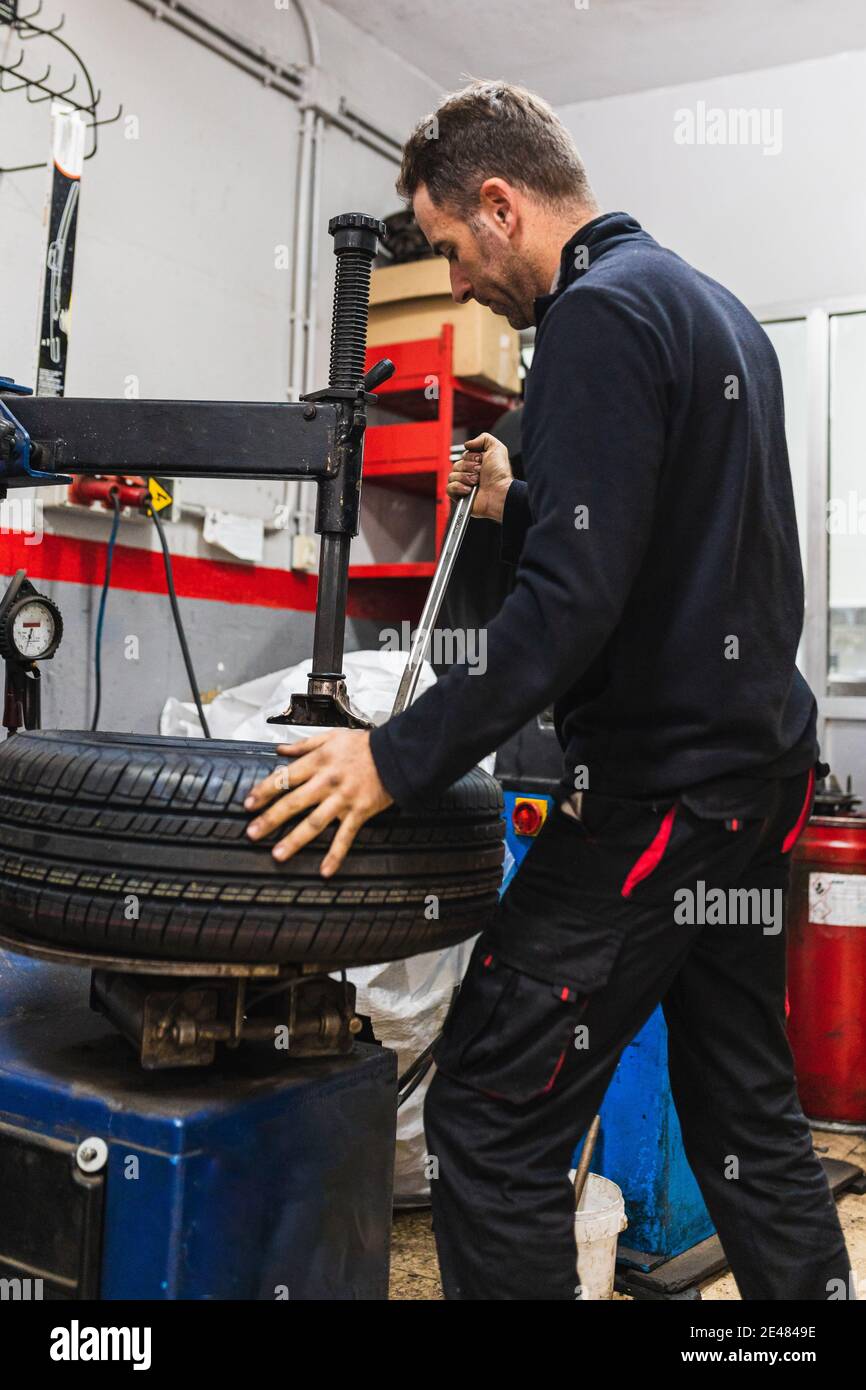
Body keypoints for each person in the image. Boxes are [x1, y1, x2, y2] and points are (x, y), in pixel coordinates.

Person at [244, 81, 851, 1301]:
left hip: (655, 801)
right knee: (741, 1105)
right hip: (752, 783)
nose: (458, 282)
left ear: (502, 203)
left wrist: (391, 754)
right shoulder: (708, 307)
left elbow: (566, 609)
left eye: (454, 249)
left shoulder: (592, 317)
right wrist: (525, 500)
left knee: (488, 1110)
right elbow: (666, 546)